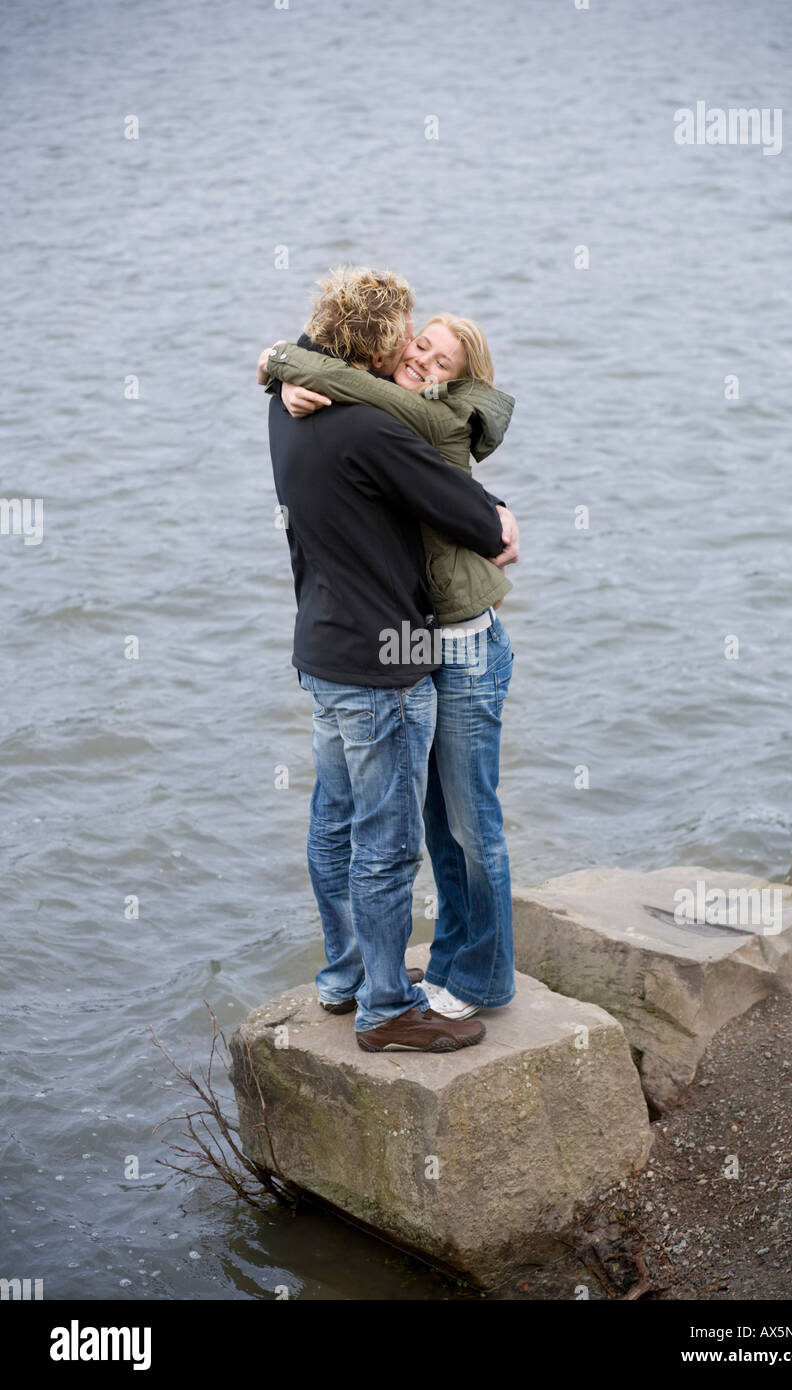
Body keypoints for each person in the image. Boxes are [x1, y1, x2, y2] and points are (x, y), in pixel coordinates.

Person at [263, 267, 518, 1052]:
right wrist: (500, 514)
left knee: (344, 823)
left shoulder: (290, 412)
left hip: (331, 650)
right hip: (387, 661)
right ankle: (384, 1002)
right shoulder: (370, 425)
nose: (416, 355)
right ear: (375, 349)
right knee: (389, 840)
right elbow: (482, 521)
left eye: (437, 356)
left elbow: (469, 506)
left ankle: (353, 976)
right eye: (410, 342)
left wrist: (277, 367)